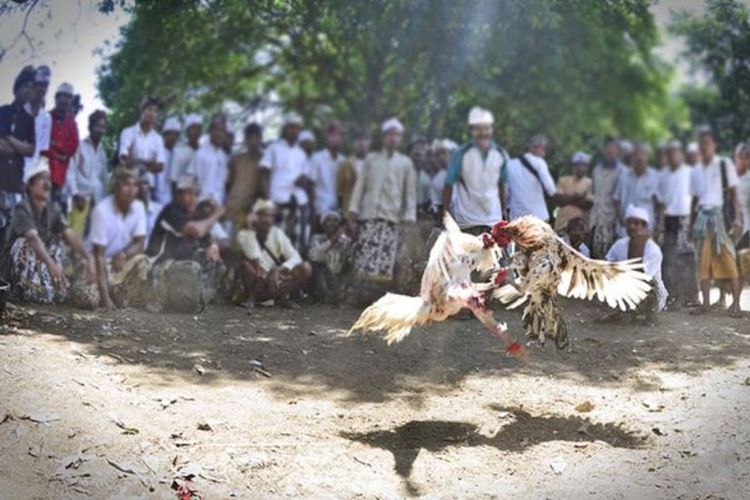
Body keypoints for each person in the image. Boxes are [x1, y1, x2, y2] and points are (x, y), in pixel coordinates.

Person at [1, 157, 94, 304]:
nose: (47, 184)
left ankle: (61, 287)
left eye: (48, 179)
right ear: (30, 186)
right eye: (41, 179)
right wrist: (52, 265)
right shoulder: (21, 208)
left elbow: (68, 233)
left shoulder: (53, 209)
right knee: (24, 243)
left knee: (61, 245)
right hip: (15, 268)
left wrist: (89, 258)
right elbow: (33, 239)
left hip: (41, 262)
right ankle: (23, 290)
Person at [347, 117, 416, 301]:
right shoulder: (371, 159)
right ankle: (362, 296)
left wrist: (409, 217)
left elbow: (409, 193)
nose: (393, 139)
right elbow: (359, 186)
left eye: (396, 135)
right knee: (366, 257)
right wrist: (353, 210)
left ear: (400, 139)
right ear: (384, 138)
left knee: (385, 260)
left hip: (391, 218)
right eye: (389, 135)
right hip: (369, 216)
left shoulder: (405, 163)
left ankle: (379, 297)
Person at [146, 175, 226, 311]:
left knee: (217, 263)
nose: (193, 198)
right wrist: (216, 215)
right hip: (160, 265)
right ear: (178, 194)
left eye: (196, 194)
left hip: (179, 264)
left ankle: (200, 297)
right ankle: (170, 299)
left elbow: (207, 237)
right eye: (188, 193)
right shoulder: (171, 211)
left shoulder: (192, 213)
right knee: (191, 268)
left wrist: (213, 246)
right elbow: (197, 231)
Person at [689, 128, 743, 317]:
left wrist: (736, 218)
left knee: (729, 259)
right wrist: (691, 224)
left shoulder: (724, 164)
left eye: (707, 143)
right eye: (701, 143)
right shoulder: (695, 170)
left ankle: (736, 305)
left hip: (721, 219)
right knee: (703, 263)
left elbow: (734, 195)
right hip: (702, 221)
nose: (703, 147)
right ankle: (704, 304)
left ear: (714, 145)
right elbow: (694, 200)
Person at [87, 169, 149, 310]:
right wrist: (105, 298)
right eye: (126, 185)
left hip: (121, 262)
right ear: (116, 187)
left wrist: (124, 255)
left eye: (135, 185)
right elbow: (99, 256)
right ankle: (108, 292)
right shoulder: (102, 210)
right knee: (89, 298)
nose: (131, 190)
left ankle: (120, 294)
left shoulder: (138, 207)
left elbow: (140, 243)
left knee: (143, 262)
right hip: (99, 264)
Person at [236, 199, 312, 309]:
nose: (267, 220)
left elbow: (296, 257)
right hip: (258, 280)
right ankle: (250, 298)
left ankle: (281, 298)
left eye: (270, 216)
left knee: (306, 268)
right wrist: (251, 229)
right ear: (256, 216)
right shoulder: (245, 234)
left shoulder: (277, 233)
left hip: (274, 281)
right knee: (246, 266)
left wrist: (278, 269)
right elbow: (254, 257)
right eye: (264, 215)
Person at [443, 106, 507, 234]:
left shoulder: (500, 154)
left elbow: (502, 185)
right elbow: (448, 185)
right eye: (478, 129)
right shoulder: (461, 154)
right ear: (471, 131)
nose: (483, 133)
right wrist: (445, 213)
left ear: (491, 129)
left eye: (486, 128)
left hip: (493, 221)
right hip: (467, 222)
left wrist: (504, 211)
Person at [605, 205, 668, 325]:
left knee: (650, 283)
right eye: (630, 223)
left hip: (649, 294)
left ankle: (650, 316)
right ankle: (627, 312)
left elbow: (644, 276)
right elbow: (607, 262)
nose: (633, 227)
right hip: (627, 289)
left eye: (637, 223)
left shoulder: (653, 249)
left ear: (644, 227)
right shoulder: (620, 245)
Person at [259, 112, 311, 250]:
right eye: (291, 127)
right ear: (284, 129)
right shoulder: (273, 148)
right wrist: (268, 201)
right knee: (276, 242)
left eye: (297, 128)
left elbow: (305, 178)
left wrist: (302, 180)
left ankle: (296, 268)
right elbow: (263, 174)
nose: (294, 131)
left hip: (299, 201)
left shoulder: (301, 153)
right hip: (279, 199)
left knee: (299, 242)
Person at [656, 140, 698, 307]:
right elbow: (661, 202)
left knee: (688, 257)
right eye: (670, 153)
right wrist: (660, 223)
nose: (673, 156)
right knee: (670, 257)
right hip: (669, 219)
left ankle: (693, 296)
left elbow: (696, 198)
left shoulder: (690, 172)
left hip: (686, 217)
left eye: (676, 152)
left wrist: (694, 222)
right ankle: (675, 296)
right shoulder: (663, 175)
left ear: (681, 155)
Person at [0, 66, 36, 245]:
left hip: (15, 182)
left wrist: (10, 139)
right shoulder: (2, 112)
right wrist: (19, 146)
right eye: (25, 86)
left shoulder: (29, 120)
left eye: (31, 87)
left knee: (12, 233)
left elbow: (30, 150)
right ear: (17, 87)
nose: (28, 90)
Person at [65, 110, 109, 237]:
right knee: (75, 233)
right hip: (81, 197)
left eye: (103, 127)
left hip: (98, 200)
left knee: (94, 235)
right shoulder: (79, 146)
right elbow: (71, 170)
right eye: (97, 126)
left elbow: (104, 179)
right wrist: (74, 194)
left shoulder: (102, 152)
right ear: (90, 127)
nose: (100, 130)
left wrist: (105, 203)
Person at [505, 134, 557, 222]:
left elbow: (506, 192)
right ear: (536, 147)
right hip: (538, 216)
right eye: (544, 148)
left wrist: (507, 208)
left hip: (517, 216)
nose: (544, 152)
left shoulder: (509, 164)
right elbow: (551, 189)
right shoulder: (539, 162)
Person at [590, 137, 626, 258]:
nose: (610, 152)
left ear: (618, 152)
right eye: (608, 150)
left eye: (613, 150)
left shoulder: (623, 172)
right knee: (596, 254)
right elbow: (594, 193)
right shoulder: (596, 170)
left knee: (613, 256)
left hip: (614, 221)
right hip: (598, 219)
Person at [613, 142, 659, 233]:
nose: (640, 158)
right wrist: (620, 218)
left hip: (646, 226)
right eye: (637, 155)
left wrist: (659, 224)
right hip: (626, 226)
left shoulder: (655, 176)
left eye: (643, 155)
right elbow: (616, 200)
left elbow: (659, 202)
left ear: (647, 158)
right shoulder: (623, 176)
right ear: (632, 158)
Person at [47, 82, 80, 209]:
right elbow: (42, 145)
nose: (65, 100)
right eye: (62, 96)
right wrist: (58, 153)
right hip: (44, 171)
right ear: (56, 98)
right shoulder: (46, 117)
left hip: (62, 177)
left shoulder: (72, 124)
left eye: (68, 97)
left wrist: (56, 144)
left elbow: (73, 146)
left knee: (58, 213)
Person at [118, 96, 166, 181]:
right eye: (150, 109)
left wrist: (135, 160)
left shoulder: (158, 139)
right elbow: (124, 160)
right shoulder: (128, 132)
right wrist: (149, 162)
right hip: (130, 182)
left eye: (156, 111)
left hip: (149, 186)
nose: (152, 114)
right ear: (141, 111)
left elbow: (160, 166)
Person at [225, 123, 263, 230]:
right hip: (233, 209)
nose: (254, 141)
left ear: (261, 139)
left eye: (257, 137)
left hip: (254, 211)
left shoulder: (266, 161)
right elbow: (228, 184)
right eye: (250, 137)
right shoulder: (236, 159)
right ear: (245, 140)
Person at [308, 211, 350, 304]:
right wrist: (333, 240)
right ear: (323, 224)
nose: (332, 223)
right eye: (329, 220)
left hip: (339, 277)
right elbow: (314, 256)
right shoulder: (316, 238)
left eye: (335, 220)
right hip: (322, 278)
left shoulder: (345, 241)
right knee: (318, 265)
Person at [190, 114, 229, 206]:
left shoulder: (224, 157)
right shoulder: (200, 154)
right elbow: (192, 181)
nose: (219, 133)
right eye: (216, 129)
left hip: (218, 205)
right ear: (210, 132)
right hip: (201, 205)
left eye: (222, 130)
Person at [311, 122, 345, 220]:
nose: (335, 139)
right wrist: (313, 210)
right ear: (327, 137)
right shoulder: (317, 158)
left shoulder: (343, 161)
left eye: (339, 136)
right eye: (332, 135)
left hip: (337, 210)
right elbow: (311, 185)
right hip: (320, 208)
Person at [554, 152, 594, 232]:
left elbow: (588, 204)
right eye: (578, 165)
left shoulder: (591, 183)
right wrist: (577, 197)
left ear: (587, 168)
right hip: (562, 225)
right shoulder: (563, 180)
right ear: (573, 167)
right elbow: (558, 200)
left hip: (581, 228)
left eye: (583, 165)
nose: (580, 168)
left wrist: (567, 198)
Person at [336, 129, 370, 221]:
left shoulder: (374, 164)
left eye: (365, 140)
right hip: (349, 214)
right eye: (359, 140)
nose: (362, 143)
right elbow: (339, 191)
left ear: (369, 143)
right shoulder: (346, 164)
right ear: (354, 143)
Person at [23, 65, 52, 168]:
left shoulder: (46, 117)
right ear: (33, 86)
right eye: (39, 84)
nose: (42, 88)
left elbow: (43, 149)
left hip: (33, 170)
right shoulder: (20, 109)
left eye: (45, 85)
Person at [169, 114, 202, 188]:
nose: (196, 132)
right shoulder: (178, 150)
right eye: (193, 128)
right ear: (187, 131)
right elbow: (174, 179)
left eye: (198, 128)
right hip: (183, 194)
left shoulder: (204, 151)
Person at [154, 116, 181, 205]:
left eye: (176, 135)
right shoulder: (157, 151)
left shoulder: (177, 153)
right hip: (156, 198)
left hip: (173, 200)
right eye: (171, 134)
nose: (173, 137)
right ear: (165, 134)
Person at [429, 139, 457, 213]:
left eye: (444, 153)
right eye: (437, 155)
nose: (441, 157)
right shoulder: (436, 180)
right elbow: (436, 204)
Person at [409, 136, 431, 210]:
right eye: (415, 148)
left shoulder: (429, 174)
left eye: (422, 149)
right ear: (411, 152)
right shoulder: (402, 170)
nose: (418, 151)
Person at [137, 175, 163, 239]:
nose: (142, 186)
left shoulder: (159, 210)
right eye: (138, 184)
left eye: (145, 183)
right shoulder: (129, 211)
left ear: (150, 187)